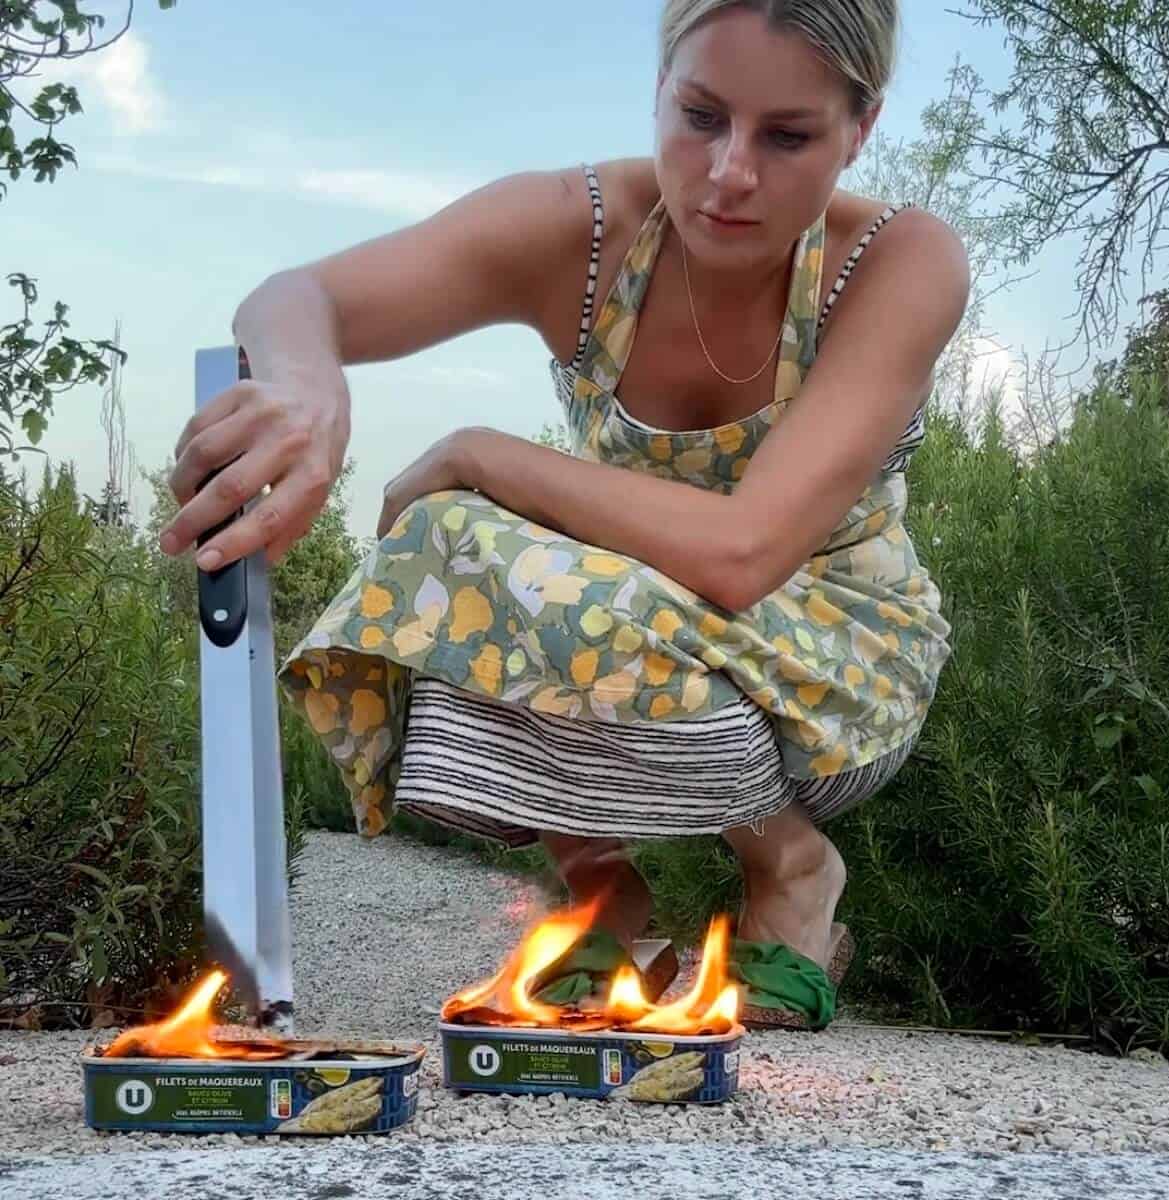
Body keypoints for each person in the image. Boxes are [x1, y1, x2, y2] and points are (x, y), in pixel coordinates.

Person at [163, 0, 967, 1029]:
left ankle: (794, 869)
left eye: (788, 135)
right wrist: (310, 391)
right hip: (635, 622)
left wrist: (478, 453)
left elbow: (743, 552)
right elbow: (293, 297)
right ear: (659, 89)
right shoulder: (584, 234)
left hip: (836, 667)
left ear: (860, 129)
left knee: (485, 517)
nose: (728, 172)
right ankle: (600, 886)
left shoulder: (899, 261)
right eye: (701, 116)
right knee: (439, 548)